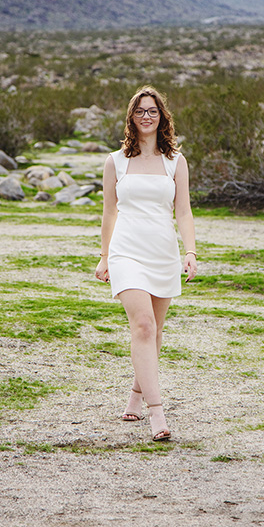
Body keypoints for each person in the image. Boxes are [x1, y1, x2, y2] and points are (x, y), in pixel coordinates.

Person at [95, 85, 198, 442]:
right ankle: (158, 415)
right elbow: (109, 213)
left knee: (153, 332)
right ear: (131, 117)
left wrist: (190, 251)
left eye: (152, 110)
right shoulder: (115, 161)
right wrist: (105, 256)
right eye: (140, 111)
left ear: (162, 116)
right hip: (127, 252)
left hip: (163, 253)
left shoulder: (176, 162)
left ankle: (136, 396)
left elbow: (182, 211)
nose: (146, 116)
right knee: (142, 325)